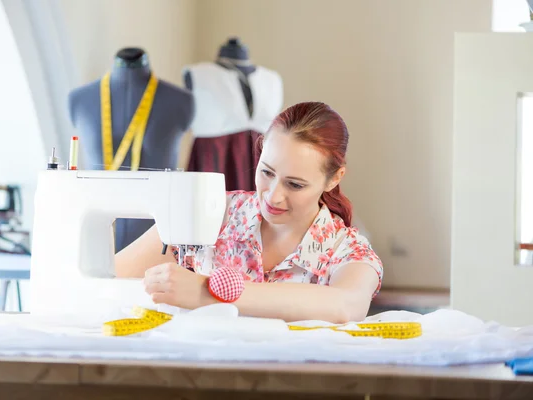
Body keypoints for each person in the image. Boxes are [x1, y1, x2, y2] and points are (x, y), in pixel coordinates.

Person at [115, 102, 383, 324]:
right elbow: (111, 273)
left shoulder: (347, 250)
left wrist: (205, 293)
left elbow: (346, 305)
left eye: (295, 184)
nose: (273, 196)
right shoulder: (212, 213)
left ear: (334, 178)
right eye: (266, 172)